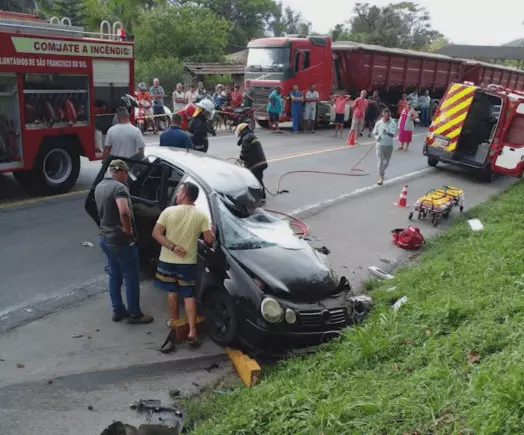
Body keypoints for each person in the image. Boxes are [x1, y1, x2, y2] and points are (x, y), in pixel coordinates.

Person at [152, 181, 215, 347]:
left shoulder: (168, 211)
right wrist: (212, 233)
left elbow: (156, 233)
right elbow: (208, 239)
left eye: (180, 191)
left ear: (185, 195)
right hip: (188, 263)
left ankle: (174, 323)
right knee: (188, 294)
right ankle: (192, 331)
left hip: (167, 260)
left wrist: (173, 247)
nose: (177, 194)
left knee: (172, 292)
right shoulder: (201, 215)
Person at [95, 159, 154, 324]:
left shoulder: (100, 186)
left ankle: (118, 311)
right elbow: (124, 211)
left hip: (105, 238)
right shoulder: (119, 188)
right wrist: (128, 230)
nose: (126, 179)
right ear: (121, 172)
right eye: (126, 175)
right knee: (131, 277)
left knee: (114, 275)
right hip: (121, 241)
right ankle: (135, 314)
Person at [236, 122, 268, 203]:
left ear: (242, 131)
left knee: (256, 181)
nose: (239, 135)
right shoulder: (250, 136)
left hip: (256, 164)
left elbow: (245, 150)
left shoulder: (247, 137)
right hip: (260, 162)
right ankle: (261, 196)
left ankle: (261, 197)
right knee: (258, 179)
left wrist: (241, 158)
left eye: (239, 133)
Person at [372, 108, 397, 185]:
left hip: (389, 145)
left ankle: (382, 171)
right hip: (380, 145)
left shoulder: (393, 123)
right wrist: (377, 138)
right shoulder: (379, 123)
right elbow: (374, 133)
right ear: (383, 114)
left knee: (385, 162)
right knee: (380, 161)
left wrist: (387, 132)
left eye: (389, 114)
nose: (388, 116)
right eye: (386, 114)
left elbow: (393, 134)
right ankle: (381, 176)